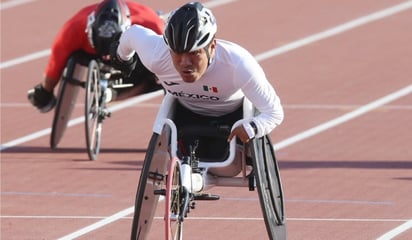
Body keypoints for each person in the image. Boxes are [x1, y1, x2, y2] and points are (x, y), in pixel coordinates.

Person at [112, 2, 283, 150]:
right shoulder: (157, 55)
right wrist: (122, 59)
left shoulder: (238, 64)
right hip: (184, 116)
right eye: (177, 53)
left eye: (194, 53)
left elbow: (274, 113)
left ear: (212, 47)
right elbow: (131, 34)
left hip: (233, 120)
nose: (185, 62)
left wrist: (254, 127)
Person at [28, 0, 164, 113]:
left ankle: (113, 94)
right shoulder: (74, 28)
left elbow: (168, 62)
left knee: (158, 76)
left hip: (131, 51)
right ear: (89, 31)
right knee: (42, 98)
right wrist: (45, 90)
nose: (106, 58)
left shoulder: (152, 27)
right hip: (90, 53)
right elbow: (55, 65)